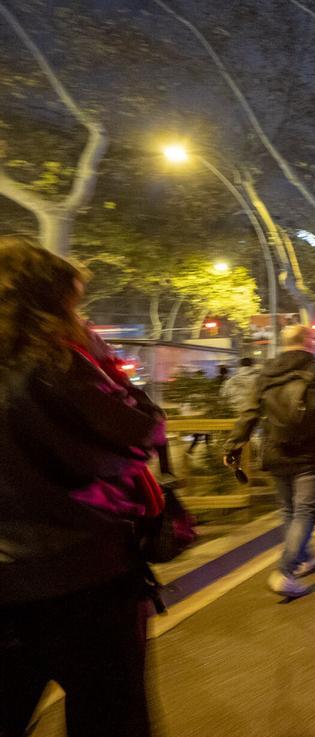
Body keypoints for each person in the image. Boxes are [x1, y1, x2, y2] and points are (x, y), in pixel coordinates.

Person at [0, 236, 163, 737]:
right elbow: (142, 431)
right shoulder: (59, 368)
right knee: (111, 718)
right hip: (84, 581)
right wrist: (104, 361)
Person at [225, 324, 315, 598]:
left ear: (284, 343)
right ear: (309, 341)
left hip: (275, 451)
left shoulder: (266, 372)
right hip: (312, 453)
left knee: (288, 510)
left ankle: (304, 557)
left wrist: (234, 444)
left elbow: (249, 413)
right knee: (306, 512)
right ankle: (286, 570)